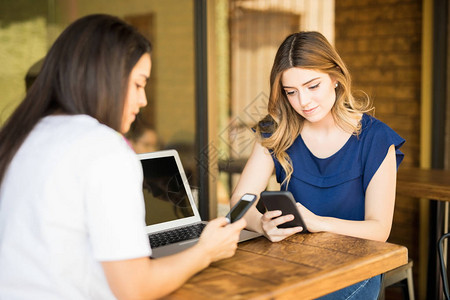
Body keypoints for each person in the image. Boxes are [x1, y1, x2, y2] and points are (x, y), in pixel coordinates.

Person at [0, 14, 246, 299]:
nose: (143, 101)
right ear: (105, 79)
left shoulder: (22, 136)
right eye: (139, 84)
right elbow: (134, 289)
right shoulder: (103, 149)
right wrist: (206, 251)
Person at [230, 31, 405, 299]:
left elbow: (379, 229)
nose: (304, 102)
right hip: (291, 262)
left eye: (313, 86)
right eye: (291, 92)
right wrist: (260, 223)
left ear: (335, 78)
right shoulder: (275, 131)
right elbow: (239, 202)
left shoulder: (376, 138)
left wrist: (320, 223)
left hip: (355, 267)